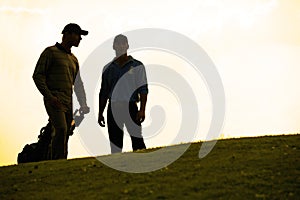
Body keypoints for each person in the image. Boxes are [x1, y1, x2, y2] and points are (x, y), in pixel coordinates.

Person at [33, 23, 90, 160]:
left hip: (68, 102)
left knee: (65, 133)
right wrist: (50, 97)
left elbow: (78, 85)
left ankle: (59, 161)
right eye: (78, 35)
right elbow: (38, 76)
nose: (80, 39)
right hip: (55, 100)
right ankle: (56, 161)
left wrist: (83, 103)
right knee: (61, 129)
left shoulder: (74, 59)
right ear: (68, 34)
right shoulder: (50, 52)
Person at [98, 34, 148, 153]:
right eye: (118, 44)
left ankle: (143, 165)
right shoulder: (108, 68)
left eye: (123, 43)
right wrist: (100, 112)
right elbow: (103, 92)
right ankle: (117, 167)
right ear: (113, 46)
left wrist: (142, 109)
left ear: (127, 46)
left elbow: (143, 89)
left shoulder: (137, 65)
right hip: (114, 107)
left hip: (130, 106)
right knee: (115, 143)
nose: (120, 46)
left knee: (137, 141)